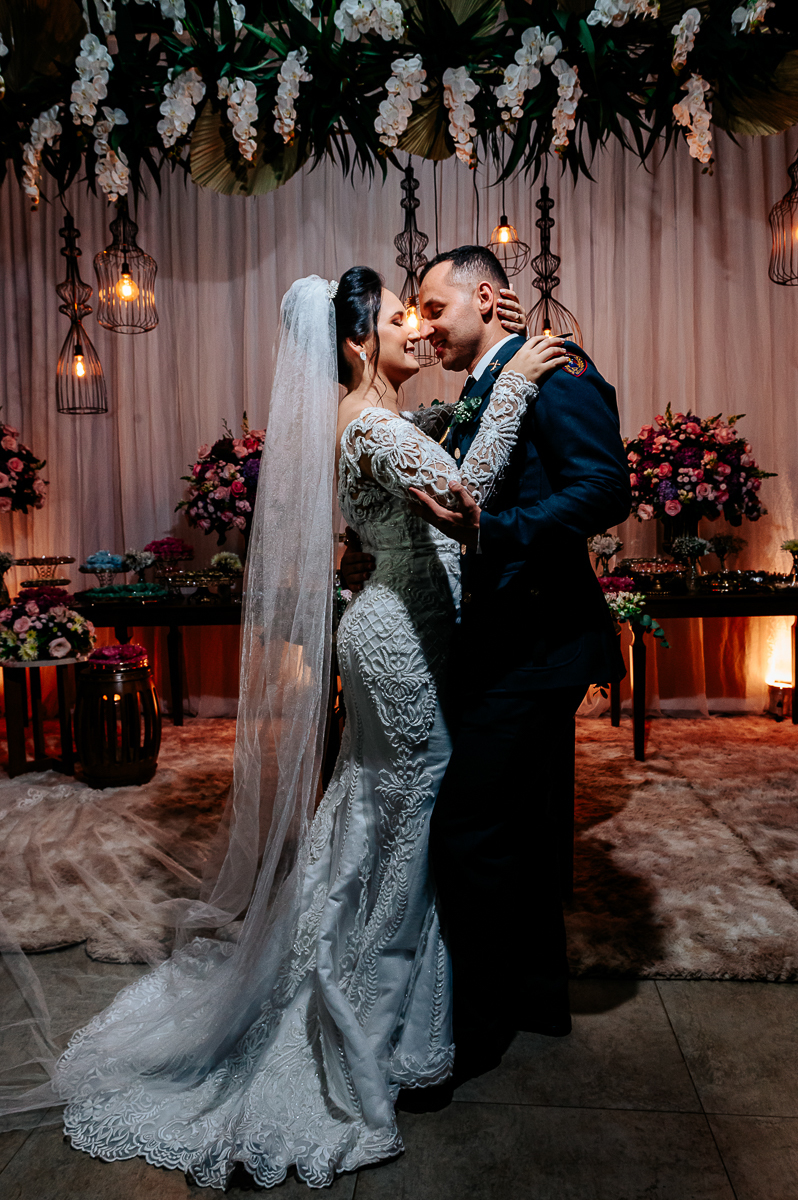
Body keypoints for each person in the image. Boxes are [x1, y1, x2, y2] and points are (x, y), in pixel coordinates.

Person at [16, 270, 564, 1190]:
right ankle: (367, 1022)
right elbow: (467, 493)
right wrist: (514, 383)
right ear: (356, 344)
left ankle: (342, 980)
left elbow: (436, 448)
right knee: (405, 819)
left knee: (368, 814)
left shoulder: (365, 420)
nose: (416, 330)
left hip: (388, 629)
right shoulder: (378, 423)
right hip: (396, 640)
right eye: (400, 318)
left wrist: (489, 371)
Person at [343, 246, 631, 1076]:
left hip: (539, 643)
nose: (424, 329)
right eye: (417, 315)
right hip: (497, 641)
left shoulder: (555, 368)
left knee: (469, 828)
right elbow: (447, 477)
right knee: (524, 824)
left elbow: (605, 487)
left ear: (484, 297)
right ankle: (537, 999)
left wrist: (491, 532)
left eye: (434, 309)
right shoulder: (483, 385)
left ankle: (476, 1023)